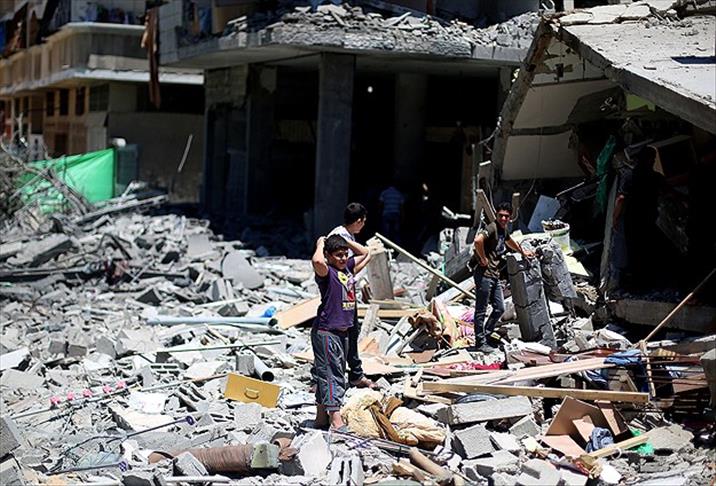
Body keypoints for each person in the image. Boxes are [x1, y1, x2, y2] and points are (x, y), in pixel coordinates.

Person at [311, 234, 371, 430]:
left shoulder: (347, 268)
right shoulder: (326, 273)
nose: (343, 258)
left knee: (328, 372)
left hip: (342, 332)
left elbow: (366, 252)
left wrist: (346, 242)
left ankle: (321, 418)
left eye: (345, 254)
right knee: (332, 374)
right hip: (327, 331)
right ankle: (336, 421)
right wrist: (321, 242)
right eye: (338, 255)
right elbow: (317, 261)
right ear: (328, 256)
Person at [472, 202, 533, 352]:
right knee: (481, 310)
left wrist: (522, 252)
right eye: (501, 216)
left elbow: (509, 241)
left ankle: (486, 335)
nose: (503, 219)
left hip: (494, 275)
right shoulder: (492, 228)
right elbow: (478, 241)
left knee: (499, 308)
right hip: (484, 275)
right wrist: (483, 258)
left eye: (506, 216)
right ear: (496, 215)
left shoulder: (502, 230)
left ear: (510, 218)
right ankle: (480, 343)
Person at [328, 203, 376, 389]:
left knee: (351, 332)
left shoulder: (346, 236)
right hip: (337, 295)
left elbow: (350, 267)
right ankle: (320, 377)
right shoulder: (339, 237)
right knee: (334, 335)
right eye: (363, 222)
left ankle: (355, 374)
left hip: (347, 291)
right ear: (358, 221)